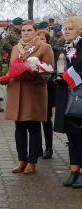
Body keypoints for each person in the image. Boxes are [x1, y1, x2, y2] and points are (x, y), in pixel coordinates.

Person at [5, 21, 54, 175]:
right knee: (19, 128)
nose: (25, 33)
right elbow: (11, 68)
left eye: (29, 30)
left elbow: (48, 72)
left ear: (35, 31)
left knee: (33, 128)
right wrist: (6, 77)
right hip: (16, 92)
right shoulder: (15, 48)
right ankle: (22, 160)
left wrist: (33, 73)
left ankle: (32, 162)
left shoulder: (44, 47)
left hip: (33, 92)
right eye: (23, 30)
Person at [54, 16, 82, 188]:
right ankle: (73, 170)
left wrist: (66, 78)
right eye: (65, 28)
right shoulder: (65, 47)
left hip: (79, 96)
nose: (65, 31)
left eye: (70, 28)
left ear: (79, 30)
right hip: (67, 95)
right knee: (72, 135)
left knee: (81, 135)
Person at [37, 30, 56, 159]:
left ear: (47, 40)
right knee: (34, 120)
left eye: (43, 39)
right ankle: (37, 147)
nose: (40, 41)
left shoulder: (52, 51)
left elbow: (54, 71)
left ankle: (49, 147)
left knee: (46, 119)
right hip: (34, 90)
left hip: (48, 89)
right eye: (38, 39)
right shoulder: (31, 52)